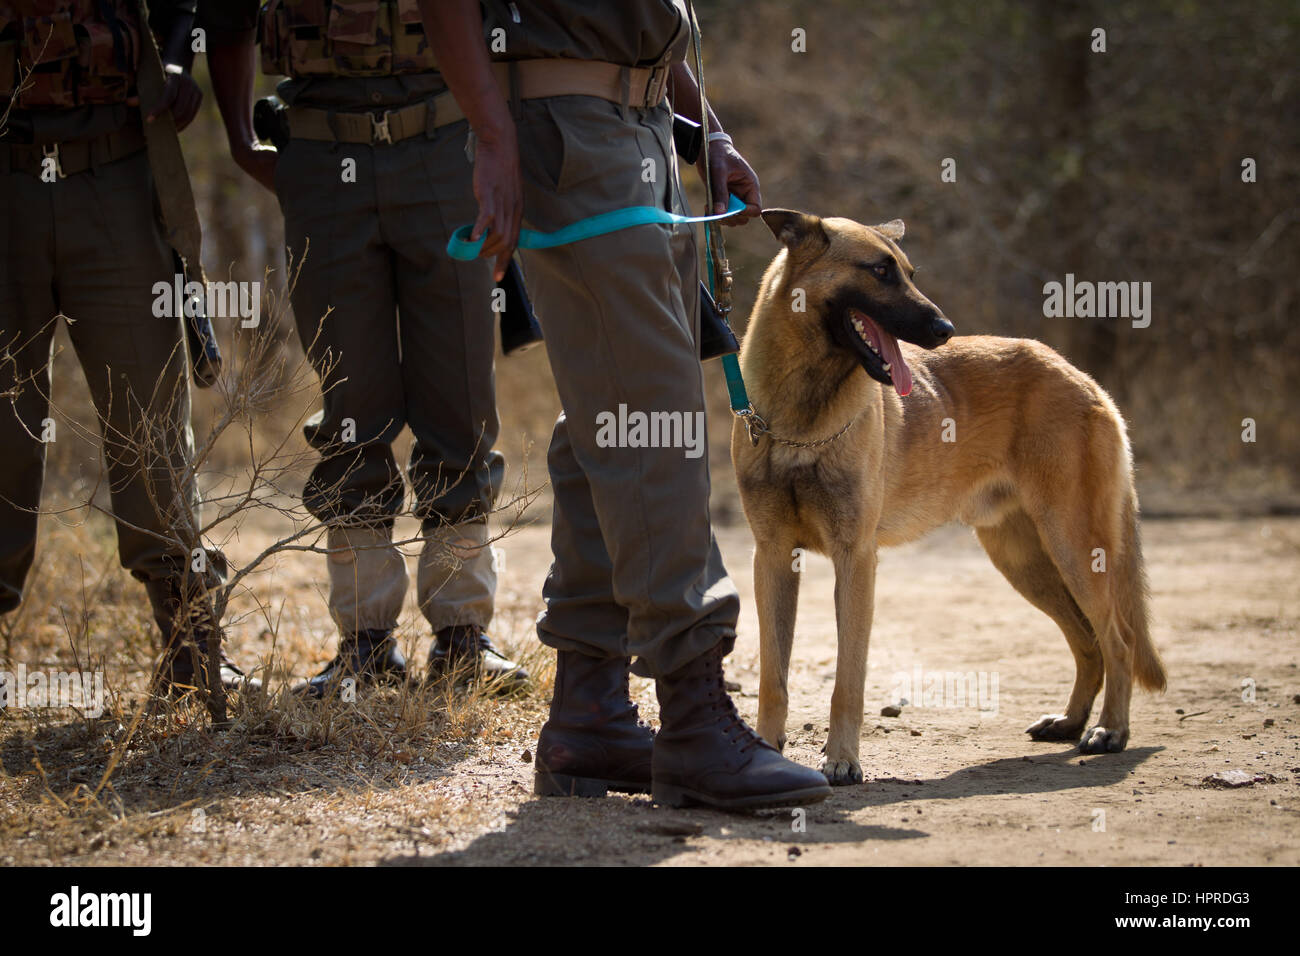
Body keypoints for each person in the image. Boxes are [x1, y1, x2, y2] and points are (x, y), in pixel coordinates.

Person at [417, 0, 832, 809]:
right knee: (652, 418)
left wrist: (701, 130)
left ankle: (590, 711)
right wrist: (494, 137)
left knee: (613, 410)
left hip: (639, 128)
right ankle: (693, 719)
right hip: (568, 131)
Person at [200, 0, 527, 697]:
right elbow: (223, 16)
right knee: (352, 404)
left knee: (460, 397)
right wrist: (234, 135)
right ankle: (364, 642)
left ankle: (463, 635)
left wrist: (500, 141)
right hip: (321, 151)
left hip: (444, 142)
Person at [0, 0, 255, 696]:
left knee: (149, 413)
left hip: (114, 164)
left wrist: (175, 59)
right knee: (3, 419)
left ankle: (190, 644)